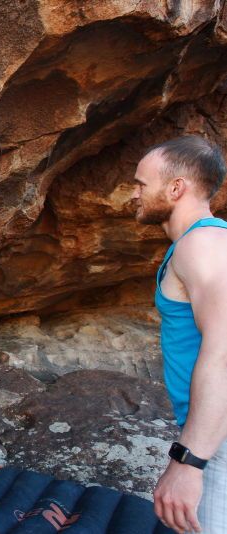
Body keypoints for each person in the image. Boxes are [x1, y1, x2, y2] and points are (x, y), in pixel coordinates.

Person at [131, 135, 227, 533]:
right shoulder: (206, 241)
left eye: (140, 183)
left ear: (175, 188)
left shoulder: (203, 245)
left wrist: (189, 463)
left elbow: (225, 352)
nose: (133, 194)